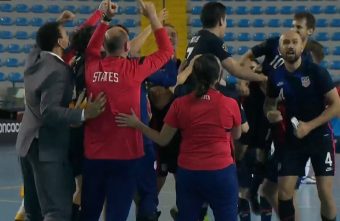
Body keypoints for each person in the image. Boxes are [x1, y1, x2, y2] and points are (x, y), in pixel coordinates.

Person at [116, 54, 241, 221]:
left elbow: (162, 139)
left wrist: (137, 124)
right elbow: (237, 134)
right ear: (218, 76)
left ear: (193, 75)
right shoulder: (229, 103)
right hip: (221, 173)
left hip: (189, 174)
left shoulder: (180, 104)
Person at [81, 0, 173, 220]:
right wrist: (152, 16)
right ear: (127, 47)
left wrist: (105, 20)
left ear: (105, 47)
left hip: (94, 156)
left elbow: (91, 48)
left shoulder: (93, 67)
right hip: (125, 156)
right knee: (117, 214)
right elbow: (167, 51)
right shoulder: (134, 70)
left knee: (89, 213)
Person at [16, 18, 106, 221]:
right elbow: (49, 112)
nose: (70, 38)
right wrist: (84, 113)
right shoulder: (59, 71)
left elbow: (40, 41)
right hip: (47, 148)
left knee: (34, 211)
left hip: (26, 145)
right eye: (65, 35)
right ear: (59, 42)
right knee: (57, 211)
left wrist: (58, 22)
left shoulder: (34, 59)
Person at [239, 12, 322, 219]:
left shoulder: (307, 62)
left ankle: (256, 195)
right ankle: (246, 194)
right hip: (258, 108)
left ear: (309, 33)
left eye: (299, 28)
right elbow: (246, 59)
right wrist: (249, 76)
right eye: (292, 26)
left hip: (280, 118)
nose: (293, 31)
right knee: (247, 155)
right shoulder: (276, 43)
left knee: (271, 165)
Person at [264, 30, 340, 221]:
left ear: (302, 46)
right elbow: (269, 103)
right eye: (286, 42)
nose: (290, 46)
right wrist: (270, 113)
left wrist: (310, 126)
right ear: (280, 48)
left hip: (320, 138)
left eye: (294, 42)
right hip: (292, 140)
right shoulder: (276, 75)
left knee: (324, 192)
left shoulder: (316, 72)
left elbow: (336, 105)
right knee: (284, 193)